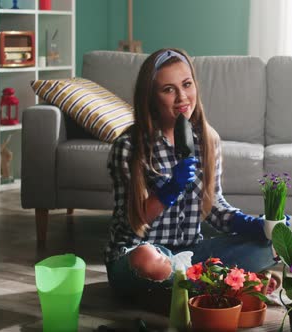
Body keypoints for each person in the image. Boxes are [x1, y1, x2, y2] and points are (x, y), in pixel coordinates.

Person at [104, 48, 278, 296]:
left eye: (187, 84)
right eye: (168, 89)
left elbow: (213, 207)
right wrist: (169, 190)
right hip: (137, 254)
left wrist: (255, 225)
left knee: (273, 244)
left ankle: (195, 286)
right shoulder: (129, 147)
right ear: (151, 97)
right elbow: (132, 224)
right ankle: (225, 283)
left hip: (190, 255)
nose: (182, 97)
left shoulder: (207, 139)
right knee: (147, 259)